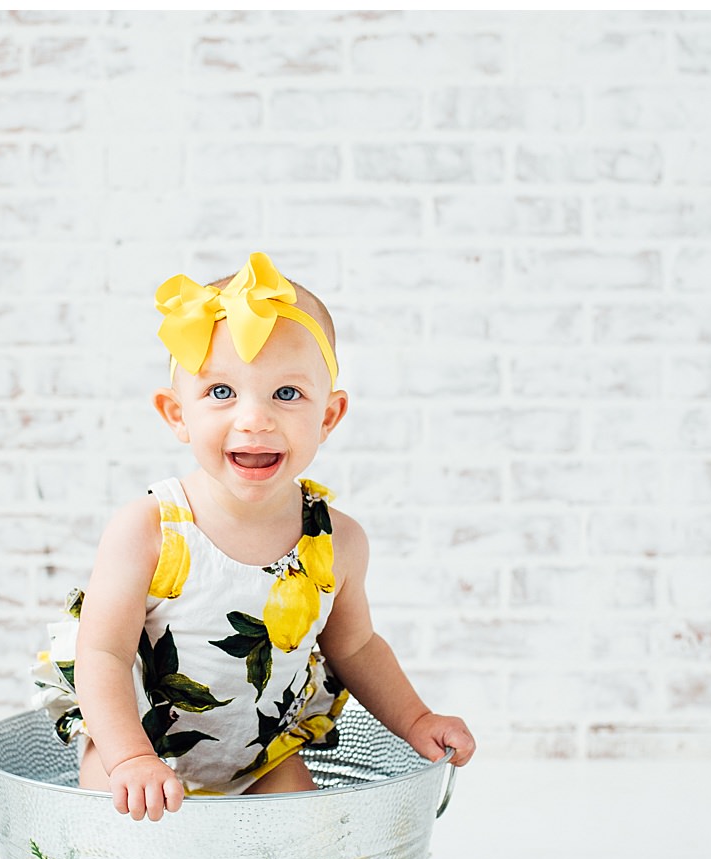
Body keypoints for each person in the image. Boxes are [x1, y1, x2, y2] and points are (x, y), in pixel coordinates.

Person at [33, 252, 475, 821]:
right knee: (116, 831)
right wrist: (128, 760)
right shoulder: (151, 529)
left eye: (286, 394)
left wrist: (418, 720)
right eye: (221, 393)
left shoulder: (336, 542)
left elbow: (357, 647)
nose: (254, 419)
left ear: (329, 416)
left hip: (259, 757)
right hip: (139, 745)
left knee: (301, 845)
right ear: (176, 413)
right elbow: (103, 653)